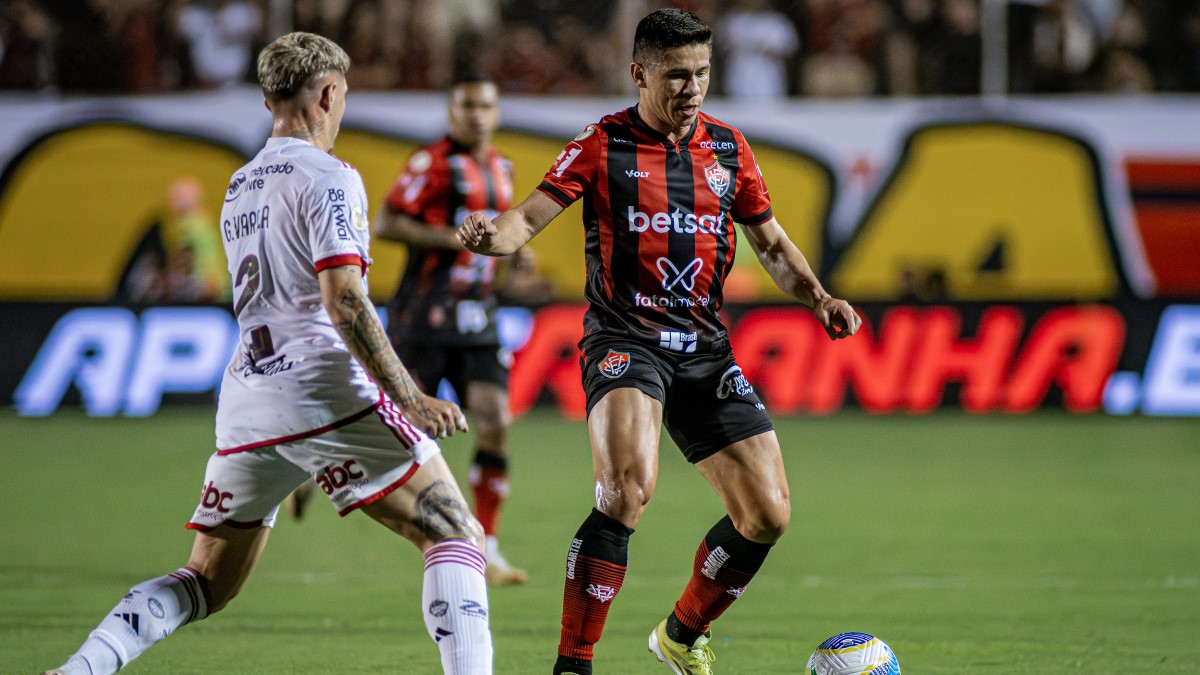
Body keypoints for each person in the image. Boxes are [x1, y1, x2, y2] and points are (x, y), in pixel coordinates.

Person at [42, 32, 493, 675]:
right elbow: (345, 301)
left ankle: (82, 667)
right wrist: (408, 395)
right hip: (322, 383)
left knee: (207, 582)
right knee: (453, 534)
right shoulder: (331, 177)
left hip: (250, 396)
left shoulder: (240, 185)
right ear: (330, 93)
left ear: (266, 97)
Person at [455, 8, 861, 675]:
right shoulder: (602, 143)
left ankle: (679, 634)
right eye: (676, 74)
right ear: (639, 72)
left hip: (705, 349)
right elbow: (526, 217)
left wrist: (818, 296)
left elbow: (773, 245)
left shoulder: (729, 149)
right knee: (624, 492)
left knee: (767, 513)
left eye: (702, 72)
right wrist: (489, 236)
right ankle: (573, 663)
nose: (692, 87)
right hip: (626, 338)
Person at [374, 72, 553, 586]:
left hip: (478, 315)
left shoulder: (502, 167)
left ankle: (487, 546)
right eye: (467, 106)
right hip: (424, 315)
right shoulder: (430, 163)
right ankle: (314, 467)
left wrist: (515, 258)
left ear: (496, 113)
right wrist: (450, 241)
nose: (476, 115)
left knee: (495, 417)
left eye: (485, 106)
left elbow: (497, 235)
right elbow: (387, 223)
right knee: (394, 431)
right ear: (452, 112)